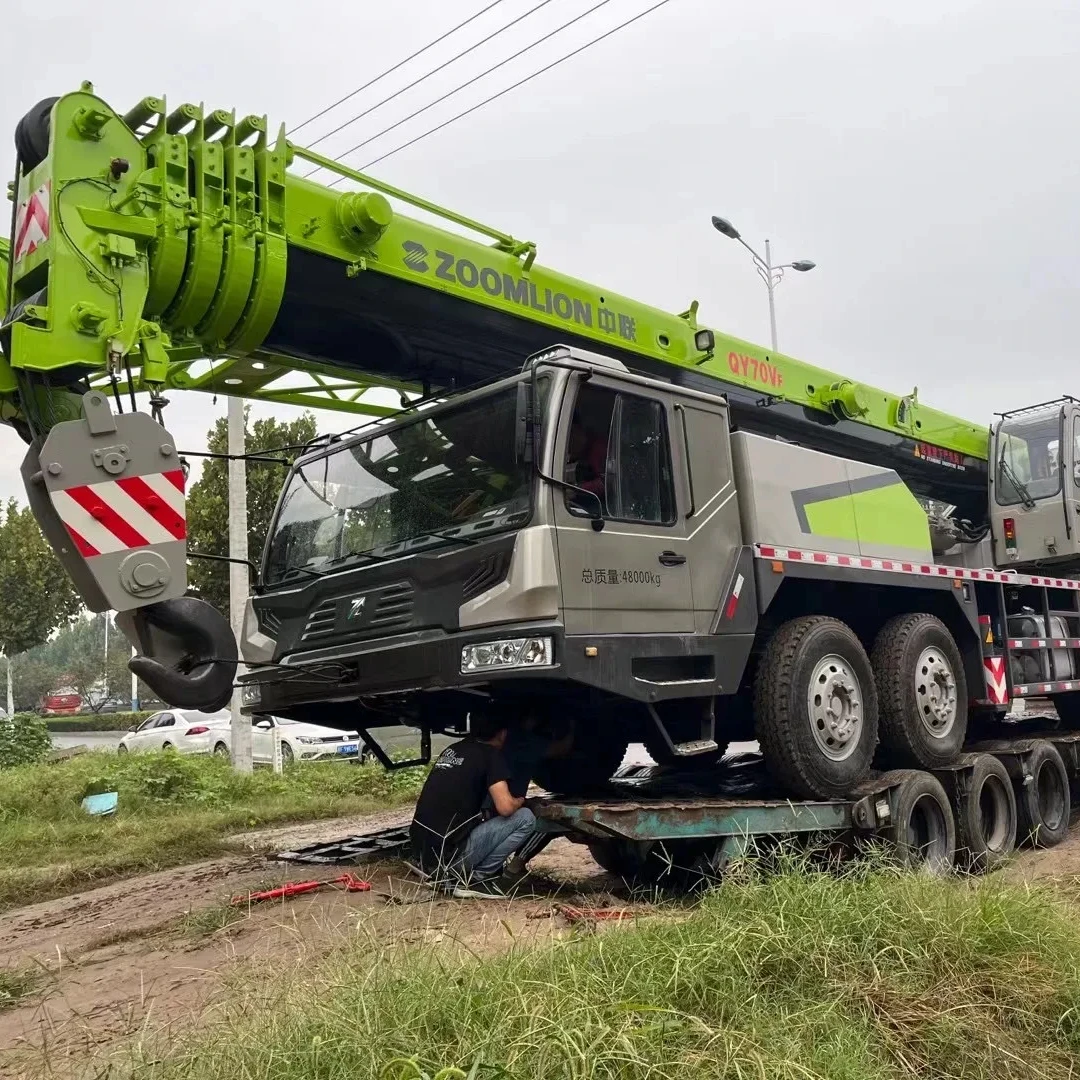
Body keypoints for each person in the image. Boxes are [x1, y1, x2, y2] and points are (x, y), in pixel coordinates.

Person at [409, 710, 538, 897]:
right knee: (525, 818)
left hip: (422, 854)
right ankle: (477, 879)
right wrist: (521, 801)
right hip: (449, 860)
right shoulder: (491, 755)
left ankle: (441, 869)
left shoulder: (453, 749)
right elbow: (506, 807)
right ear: (503, 734)